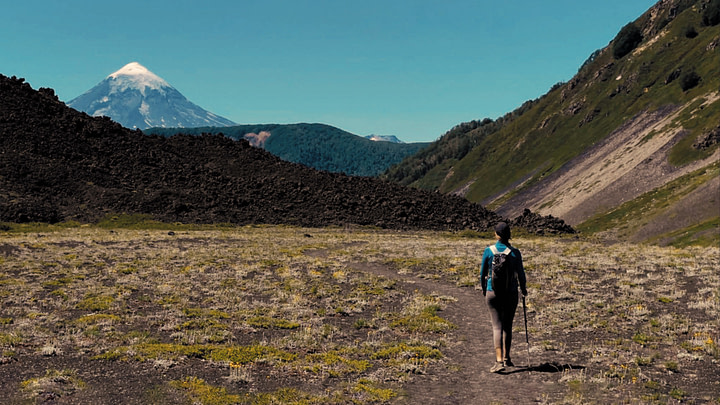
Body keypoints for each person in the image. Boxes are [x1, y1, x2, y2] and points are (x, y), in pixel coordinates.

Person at [480, 221, 527, 373]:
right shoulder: (515, 252)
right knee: (508, 325)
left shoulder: (489, 251)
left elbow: (482, 274)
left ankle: (498, 361)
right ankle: (507, 358)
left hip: (492, 292)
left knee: (496, 326)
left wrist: (484, 289)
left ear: (497, 234)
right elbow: (521, 274)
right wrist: (523, 289)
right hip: (511, 292)